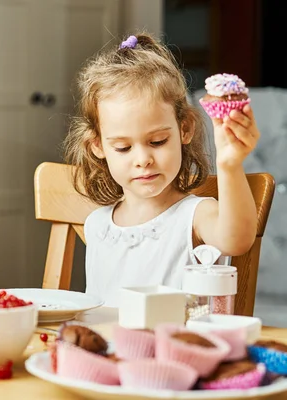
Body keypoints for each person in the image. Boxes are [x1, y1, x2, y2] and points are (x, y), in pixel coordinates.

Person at [63, 32, 259, 307]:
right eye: (123, 147)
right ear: (98, 146)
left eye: (157, 141)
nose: (143, 159)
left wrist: (229, 164)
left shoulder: (195, 216)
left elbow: (236, 240)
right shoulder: (97, 225)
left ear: (185, 129)